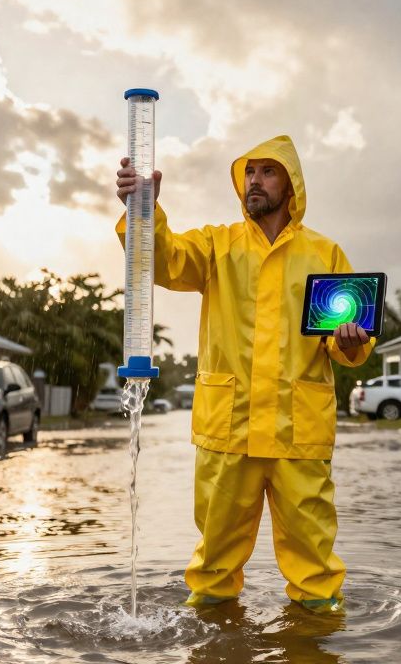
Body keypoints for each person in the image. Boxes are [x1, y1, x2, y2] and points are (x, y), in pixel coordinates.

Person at [115, 134, 373, 614]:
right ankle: (212, 638)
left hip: (298, 430)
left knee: (314, 565)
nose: (254, 181)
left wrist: (349, 341)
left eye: (267, 172)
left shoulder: (326, 253)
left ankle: (313, 640)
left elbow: (342, 343)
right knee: (214, 561)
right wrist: (143, 207)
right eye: (249, 172)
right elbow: (162, 259)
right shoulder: (217, 246)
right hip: (229, 428)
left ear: (291, 184)